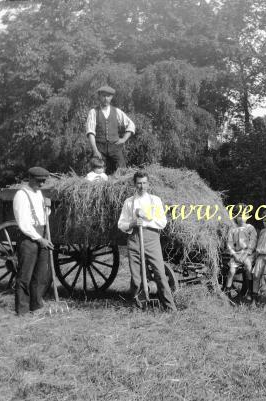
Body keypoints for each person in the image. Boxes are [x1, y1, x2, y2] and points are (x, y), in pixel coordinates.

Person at [117, 171, 177, 311]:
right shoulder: (129, 202)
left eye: (144, 183)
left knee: (160, 273)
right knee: (136, 277)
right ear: (135, 184)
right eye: (139, 183)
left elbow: (162, 222)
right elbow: (121, 224)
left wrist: (146, 219)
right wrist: (132, 224)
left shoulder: (155, 200)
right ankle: (140, 307)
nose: (142, 186)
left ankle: (169, 307)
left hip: (151, 238)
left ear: (148, 184)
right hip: (134, 239)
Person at [13, 166, 54, 316]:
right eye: (39, 181)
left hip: (42, 234)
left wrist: (47, 208)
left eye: (44, 181)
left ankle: (36, 306)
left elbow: (42, 217)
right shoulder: (21, 195)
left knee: (41, 274)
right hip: (28, 238)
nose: (42, 184)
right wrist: (39, 239)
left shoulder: (39, 193)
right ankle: (22, 310)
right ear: (30, 179)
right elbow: (23, 223)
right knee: (25, 275)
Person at [86, 85, 136, 174]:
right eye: (103, 95)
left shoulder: (117, 111)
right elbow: (91, 133)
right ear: (99, 96)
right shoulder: (93, 112)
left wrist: (124, 139)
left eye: (108, 96)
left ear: (111, 97)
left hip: (115, 147)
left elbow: (131, 125)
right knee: (97, 172)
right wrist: (95, 150)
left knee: (122, 170)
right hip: (99, 148)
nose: (106, 98)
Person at [224, 204, 257, 300]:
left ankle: (250, 292)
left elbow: (253, 242)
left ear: (247, 216)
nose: (241, 218)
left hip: (248, 253)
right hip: (237, 254)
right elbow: (229, 243)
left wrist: (246, 253)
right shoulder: (233, 229)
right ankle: (227, 293)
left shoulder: (250, 228)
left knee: (248, 266)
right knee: (231, 270)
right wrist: (234, 254)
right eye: (239, 216)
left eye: (243, 216)